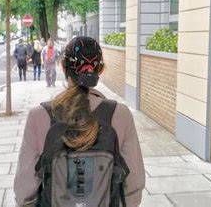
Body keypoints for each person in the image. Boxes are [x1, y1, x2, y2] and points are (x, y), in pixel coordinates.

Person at [14, 36, 145, 207]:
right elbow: (133, 184)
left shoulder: (39, 117)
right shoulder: (120, 115)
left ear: (63, 67)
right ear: (100, 70)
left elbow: (25, 191)